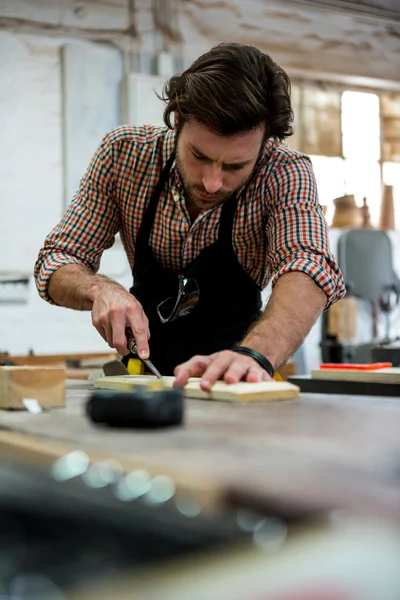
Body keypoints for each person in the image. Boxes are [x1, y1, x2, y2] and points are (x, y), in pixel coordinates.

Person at [34, 42, 345, 390]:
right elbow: (58, 258)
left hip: (238, 380)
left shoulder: (284, 170)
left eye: (235, 166)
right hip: (145, 379)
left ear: (265, 144)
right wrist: (99, 288)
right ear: (178, 120)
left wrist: (255, 356)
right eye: (199, 156)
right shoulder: (123, 155)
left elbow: (310, 265)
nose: (212, 182)